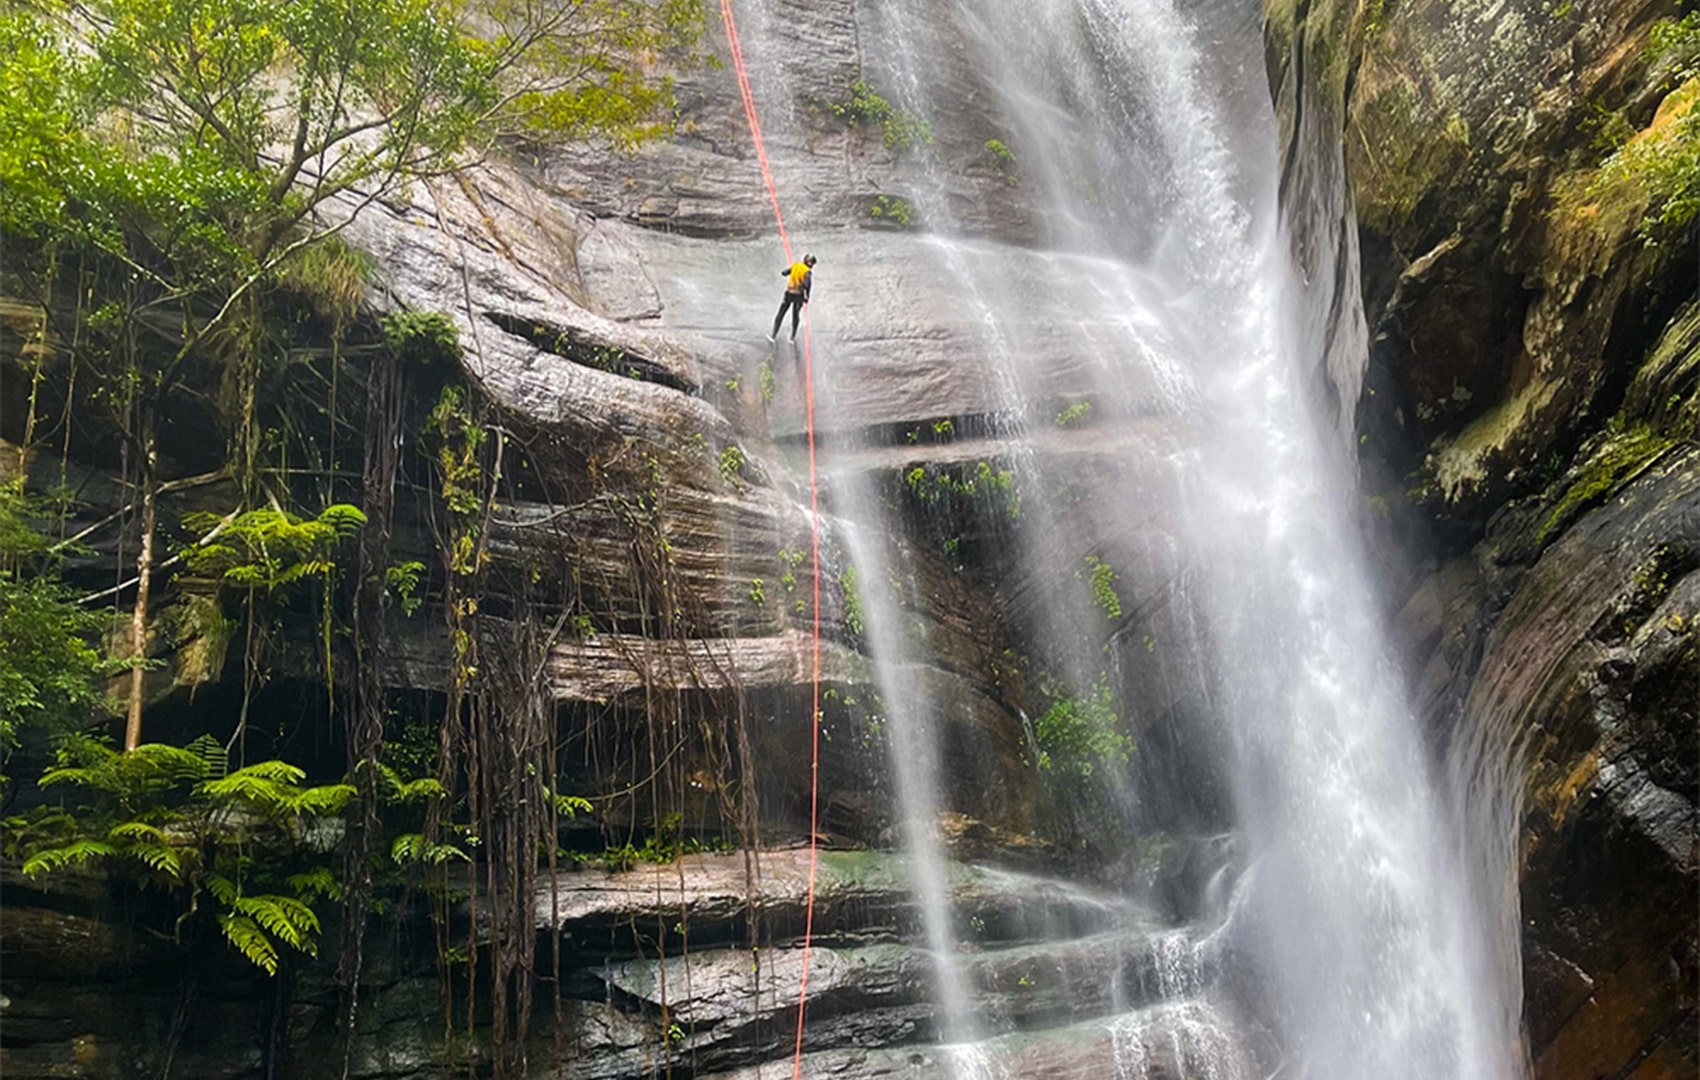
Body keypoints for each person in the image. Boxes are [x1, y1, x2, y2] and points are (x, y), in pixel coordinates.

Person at [768, 254, 816, 343]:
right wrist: (807, 297)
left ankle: (773, 335)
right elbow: (807, 285)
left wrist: (791, 273)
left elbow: (784, 273)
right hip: (799, 296)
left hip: (789, 294)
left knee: (781, 314)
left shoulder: (796, 265)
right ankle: (792, 338)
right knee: (795, 315)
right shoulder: (807, 271)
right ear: (810, 263)